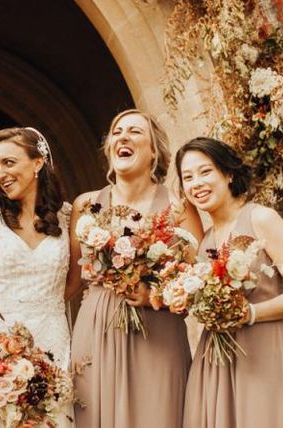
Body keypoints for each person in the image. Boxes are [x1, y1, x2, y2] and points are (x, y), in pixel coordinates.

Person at [70, 109, 204, 428]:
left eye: (134, 132)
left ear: (154, 151)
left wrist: (155, 294)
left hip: (157, 329)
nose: (123, 137)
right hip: (96, 327)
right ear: (109, 149)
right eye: (117, 132)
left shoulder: (179, 207)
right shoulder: (85, 205)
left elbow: (200, 281)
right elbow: (70, 283)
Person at [176, 136, 283, 427]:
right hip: (214, 357)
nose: (196, 183)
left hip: (260, 354)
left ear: (228, 174)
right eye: (187, 177)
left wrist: (249, 313)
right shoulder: (205, 240)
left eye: (205, 172)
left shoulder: (261, 219)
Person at [0, 127, 80, 427]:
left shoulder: (67, 216)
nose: (0, 173)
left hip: (54, 341)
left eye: (9, 163)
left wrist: (44, 305)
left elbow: (75, 280)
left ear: (38, 162)